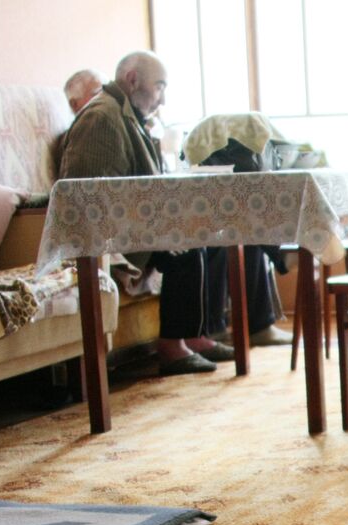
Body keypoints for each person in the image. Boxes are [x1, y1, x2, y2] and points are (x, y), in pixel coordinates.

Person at [57, 51, 286, 375]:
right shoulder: (101, 117)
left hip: (139, 221)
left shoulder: (127, 115)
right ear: (133, 80)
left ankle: (196, 336)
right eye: (159, 87)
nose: (162, 99)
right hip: (113, 233)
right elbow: (87, 195)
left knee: (214, 237)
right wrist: (154, 221)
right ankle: (172, 346)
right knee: (185, 247)